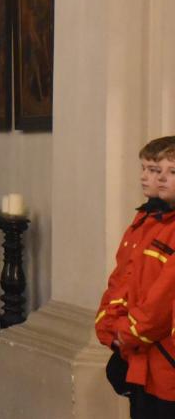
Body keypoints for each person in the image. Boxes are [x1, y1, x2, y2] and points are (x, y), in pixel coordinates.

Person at [96, 136, 175, 405]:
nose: (154, 178)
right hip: (139, 355)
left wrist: (126, 334)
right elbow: (122, 280)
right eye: (150, 169)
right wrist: (109, 327)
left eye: (169, 172)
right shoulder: (145, 219)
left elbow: (161, 302)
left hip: (164, 359)